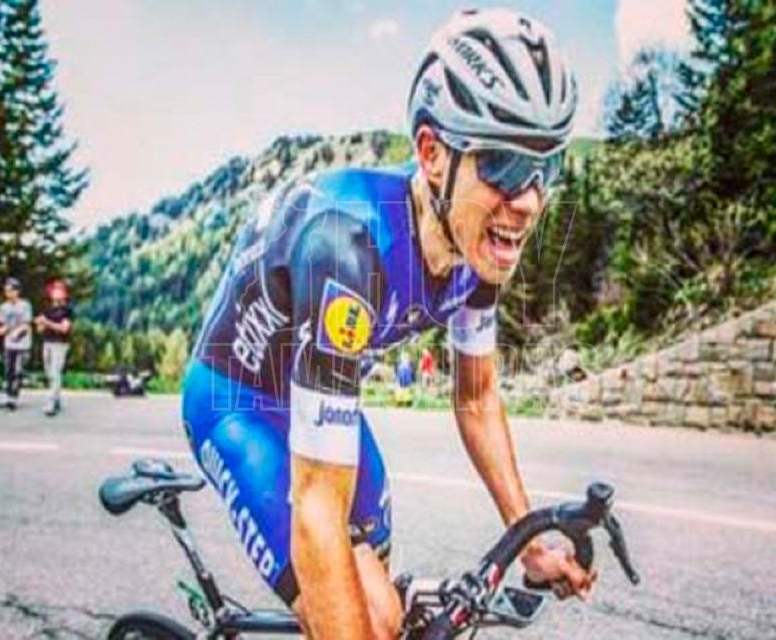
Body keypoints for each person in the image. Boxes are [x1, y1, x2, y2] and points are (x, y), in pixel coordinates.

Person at [182, 9, 593, 638]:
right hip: (238, 403)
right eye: (505, 167)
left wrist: (531, 544)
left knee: (385, 614)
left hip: (315, 398)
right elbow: (317, 502)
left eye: (548, 168)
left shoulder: (477, 245)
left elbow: (476, 398)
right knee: (359, 621)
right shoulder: (347, 247)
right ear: (432, 153)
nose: (529, 200)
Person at [35, 280, 73, 416]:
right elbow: (40, 329)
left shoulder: (67, 310)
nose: (57, 293)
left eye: (60, 290)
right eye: (55, 290)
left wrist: (47, 323)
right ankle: (56, 399)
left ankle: (51, 403)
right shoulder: (47, 309)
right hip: (47, 342)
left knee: (55, 371)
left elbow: (64, 328)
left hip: (60, 344)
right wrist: (39, 324)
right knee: (48, 372)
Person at [0, 278, 33, 411]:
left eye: (11, 291)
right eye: (6, 291)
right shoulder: (4, 307)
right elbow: (3, 324)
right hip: (9, 343)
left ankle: (13, 398)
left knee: (18, 370)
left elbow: (26, 324)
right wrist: (2, 330)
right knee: (8, 371)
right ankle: (6, 396)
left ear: (17, 291)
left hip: (23, 344)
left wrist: (17, 332)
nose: (8, 294)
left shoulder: (25, 305)